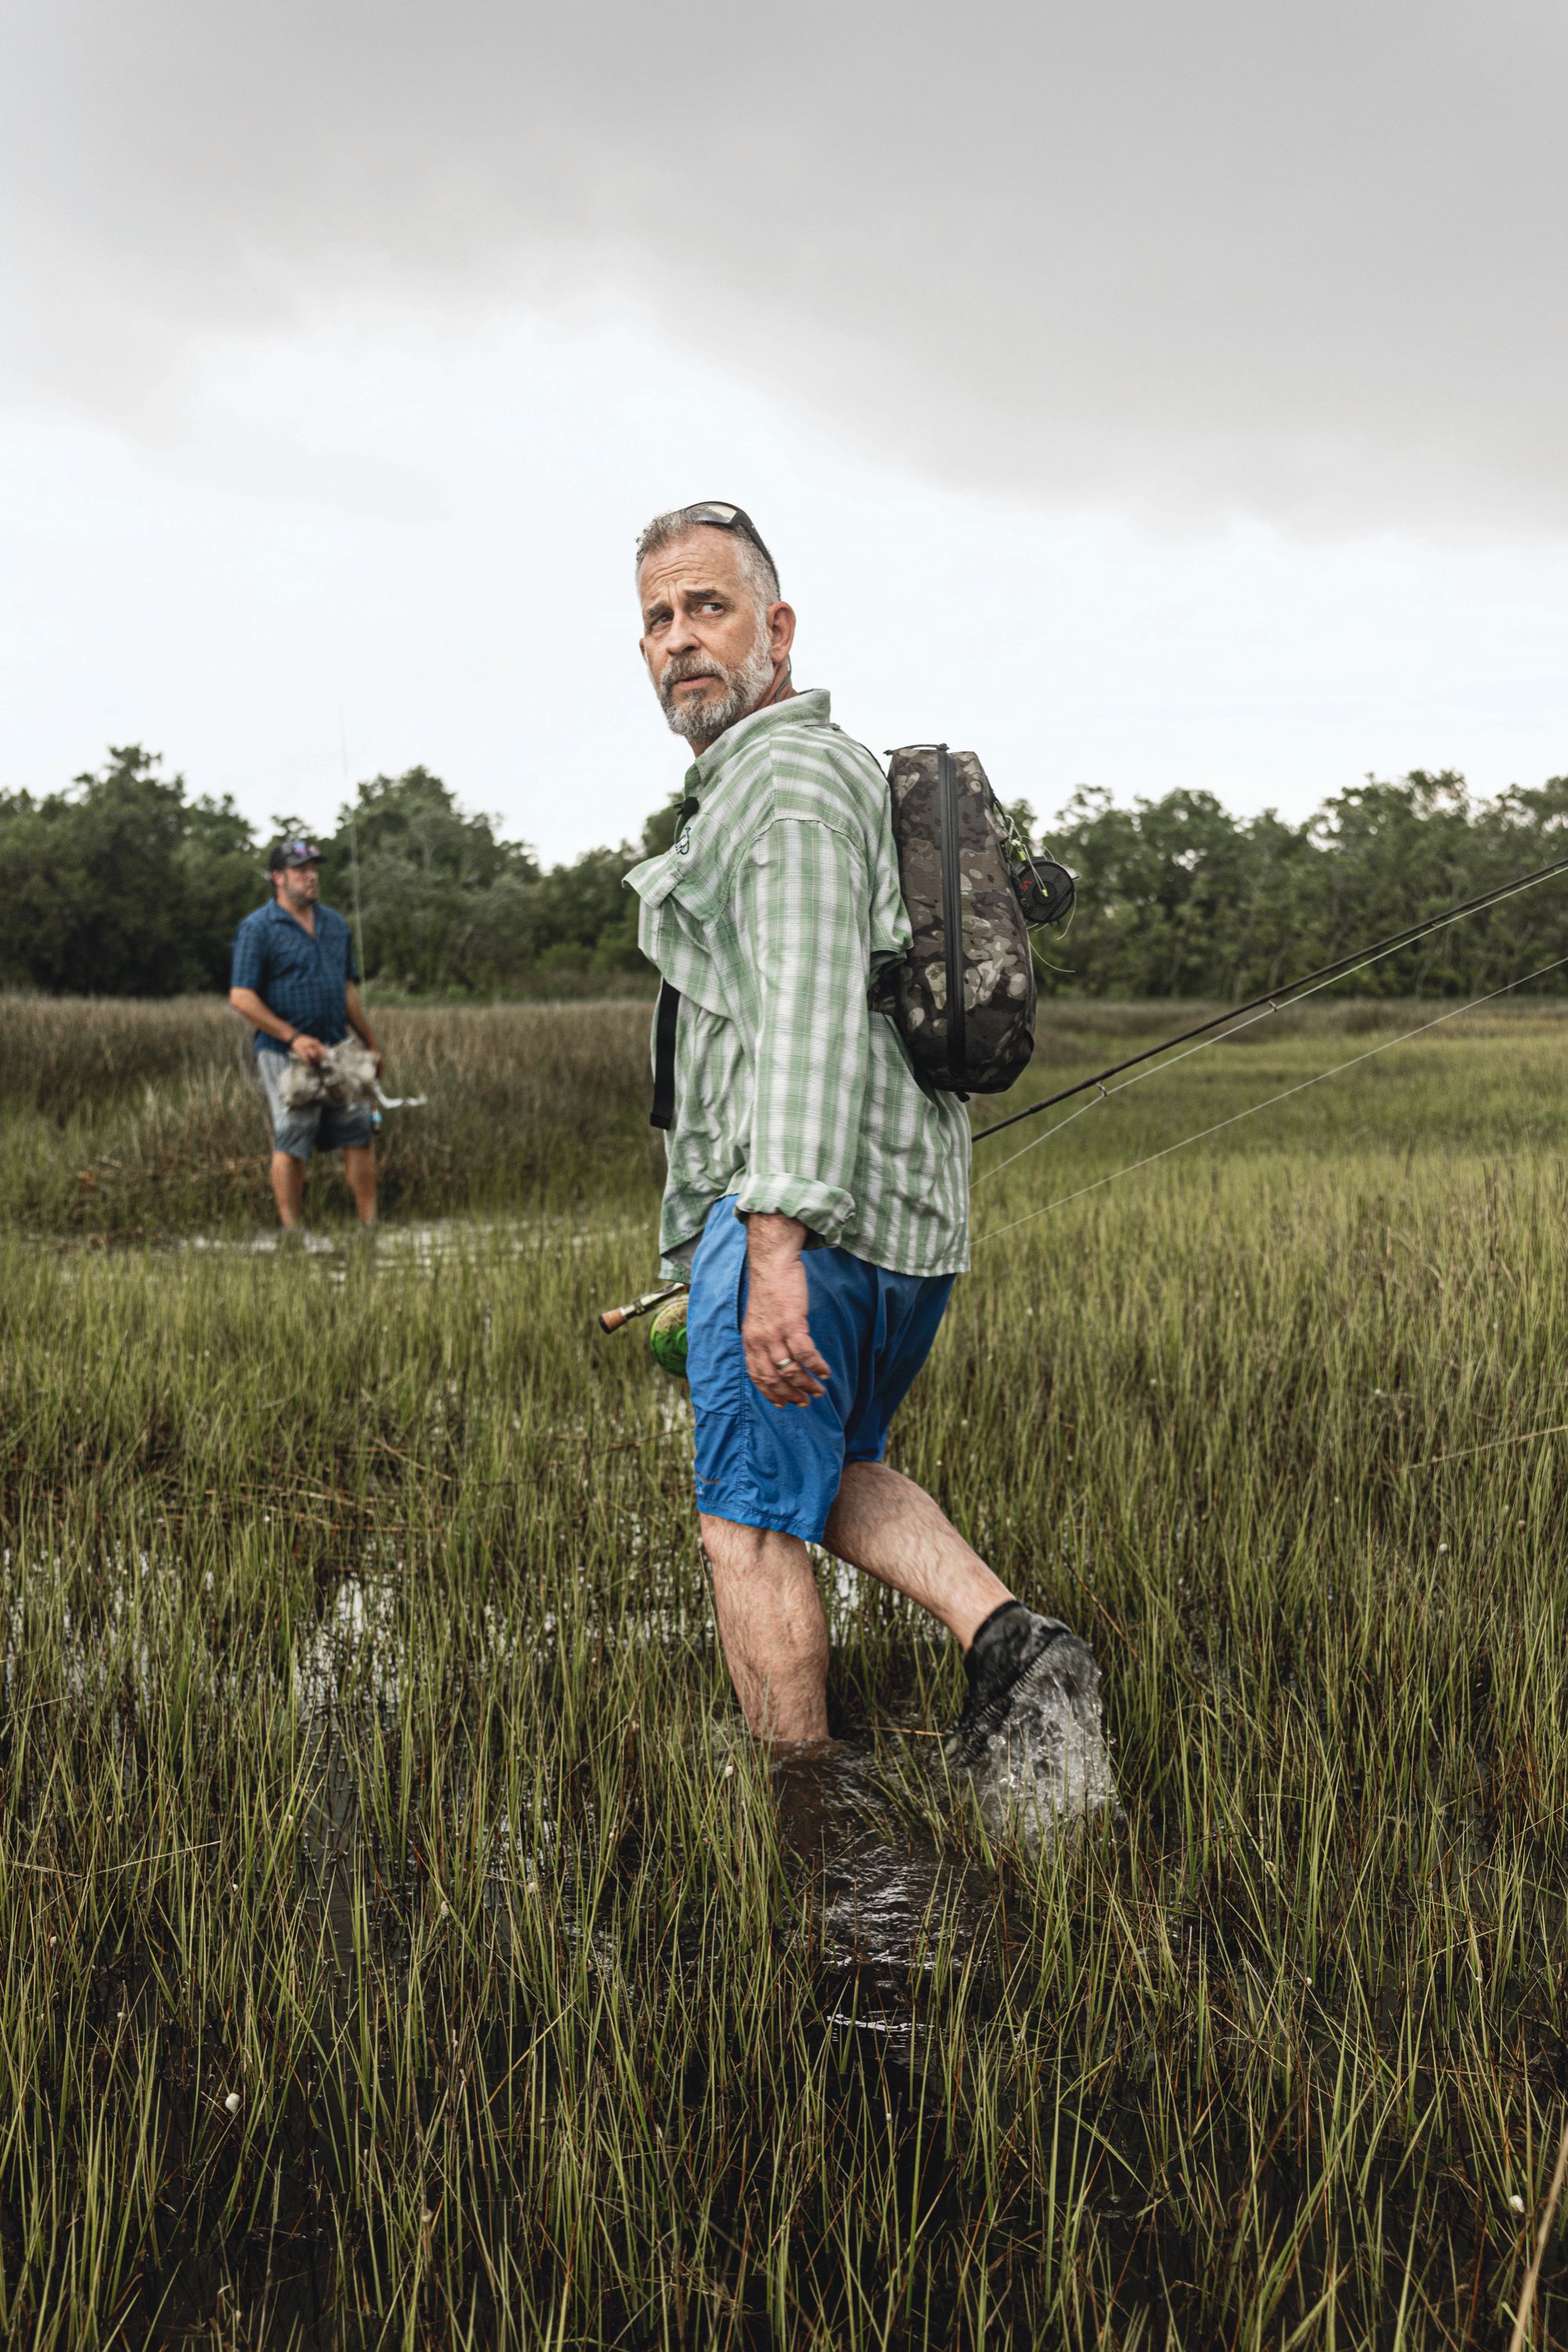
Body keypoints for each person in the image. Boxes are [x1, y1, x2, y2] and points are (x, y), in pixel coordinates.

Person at [625, 501, 1087, 1755]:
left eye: (708, 608)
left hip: (809, 1225)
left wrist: (768, 1247)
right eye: (658, 618)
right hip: (891, 1228)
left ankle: (806, 1824)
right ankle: (1013, 1645)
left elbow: (808, 1023)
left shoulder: (779, 785)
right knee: (826, 1476)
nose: (680, 640)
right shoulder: (811, 780)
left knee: (749, 1526)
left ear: (777, 631)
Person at [229, 839, 383, 1230]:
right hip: (283, 1052)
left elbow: (347, 989)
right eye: (301, 870)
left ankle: (370, 1225)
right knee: (293, 1134)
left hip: (339, 1047)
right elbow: (242, 997)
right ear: (278, 878)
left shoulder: (335, 924)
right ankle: (292, 1231)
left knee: (359, 1130)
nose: (311, 876)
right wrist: (293, 1036)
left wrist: (371, 1043)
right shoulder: (258, 928)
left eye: (314, 869)